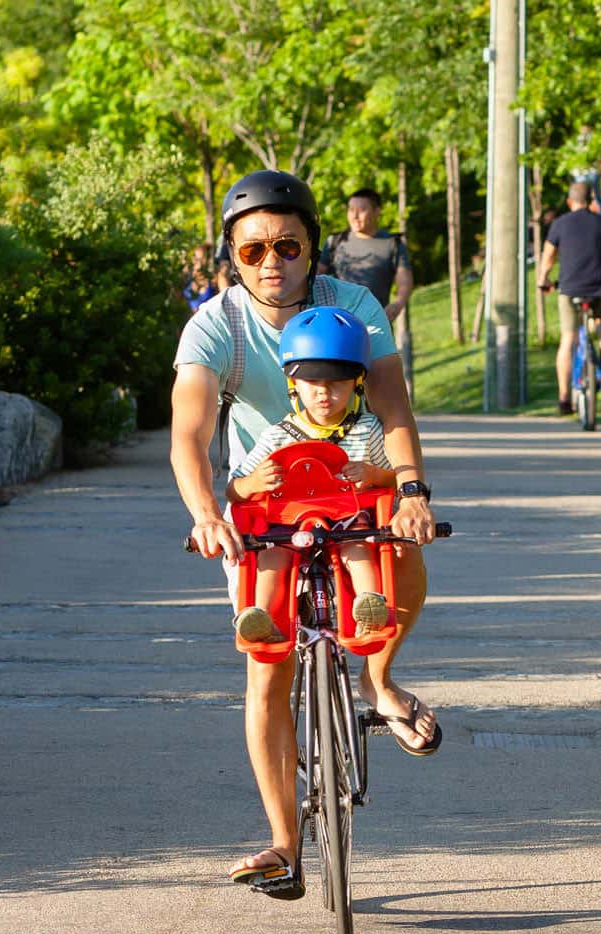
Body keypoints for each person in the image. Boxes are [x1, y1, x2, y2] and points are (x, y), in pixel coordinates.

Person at [170, 169, 439, 891]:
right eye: (252, 250)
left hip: (356, 484)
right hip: (263, 508)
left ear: (314, 249)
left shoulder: (351, 305)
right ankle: (285, 845)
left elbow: (392, 407)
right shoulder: (215, 326)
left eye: (287, 246)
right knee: (266, 670)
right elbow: (189, 438)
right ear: (231, 256)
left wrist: (410, 489)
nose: (271, 263)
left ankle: (380, 684)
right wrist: (206, 516)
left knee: (401, 554)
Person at [227, 306, 395, 643]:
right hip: (288, 525)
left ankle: (368, 608)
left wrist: (373, 474)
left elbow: (394, 480)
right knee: (273, 556)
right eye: (312, 381)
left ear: (357, 382)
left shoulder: (368, 429)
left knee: (357, 546)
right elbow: (235, 490)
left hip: (346, 521)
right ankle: (262, 617)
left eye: (336, 382)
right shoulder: (277, 436)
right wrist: (254, 482)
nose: (323, 392)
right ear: (293, 383)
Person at [538, 180, 601, 415]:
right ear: (591, 201)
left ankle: (564, 398)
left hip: (568, 290)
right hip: (600, 287)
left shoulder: (559, 225)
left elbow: (548, 258)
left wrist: (543, 280)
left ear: (570, 202)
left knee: (568, 339)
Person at [317, 188, 413, 324]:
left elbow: (404, 279)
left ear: (377, 211)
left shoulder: (392, 243)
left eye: (361, 210)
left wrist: (398, 303)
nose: (354, 216)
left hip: (375, 326)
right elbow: (316, 275)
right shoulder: (335, 241)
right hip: (336, 326)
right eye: (351, 210)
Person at [181, 243, 218, 312]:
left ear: (208, 260)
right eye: (196, 258)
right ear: (192, 259)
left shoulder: (214, 280)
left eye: (202, 259)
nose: (199, 263)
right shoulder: (186, 279)